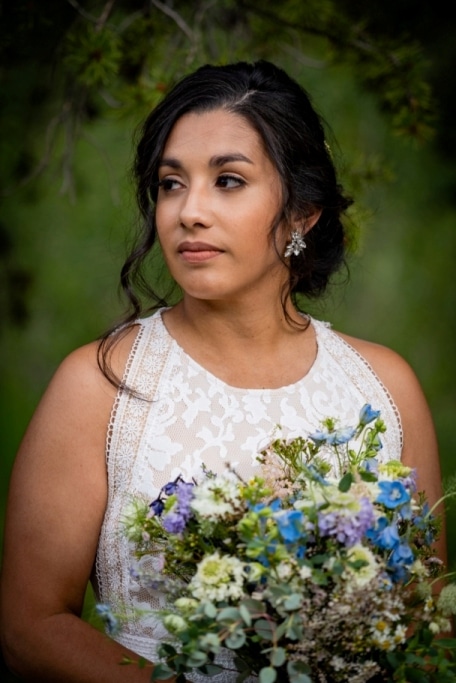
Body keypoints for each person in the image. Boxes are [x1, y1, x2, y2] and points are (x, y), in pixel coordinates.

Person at [0, 60, 446, 682]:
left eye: (228, 180)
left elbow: (422, 622)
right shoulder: (99, 385)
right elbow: (30, 625)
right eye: (171, 183)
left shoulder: (385, 390)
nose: (189, 211)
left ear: (302, 212)